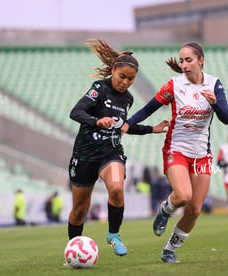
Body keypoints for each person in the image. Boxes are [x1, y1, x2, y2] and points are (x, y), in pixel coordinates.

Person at [125, 42, 228, 262]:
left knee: (195, 210)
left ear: (201, 60)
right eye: (181, 60)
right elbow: (148, 108)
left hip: (202, 155)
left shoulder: (214, 84)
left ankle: (169, 250)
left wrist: (214, 103)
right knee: (183, 195)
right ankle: (165, 210)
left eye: (188, 60)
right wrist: (127, 124)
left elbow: (225, 118)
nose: (183, 64)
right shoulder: (175, 85)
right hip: (177, 149)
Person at [67, 38, 169, 257]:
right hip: (85, 155)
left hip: (110, 152)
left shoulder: (128, 99)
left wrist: (154, 129)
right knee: (79, 211)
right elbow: (75, 112)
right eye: (122, 77)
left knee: (115, 188)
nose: (125, 82)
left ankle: (114, 234)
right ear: (113, 70)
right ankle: (75, 250)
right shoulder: (99, 89)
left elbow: (124, 127)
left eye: (130, 79)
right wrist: (96, 121)